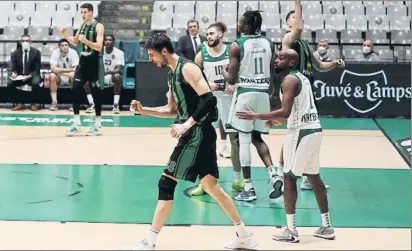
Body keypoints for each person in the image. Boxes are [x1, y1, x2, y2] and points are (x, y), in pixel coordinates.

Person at [124, 33, 258, 250]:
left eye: (152, 55)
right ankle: (245, 235)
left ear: (164, 51)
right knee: (211, 186)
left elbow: (209, 100)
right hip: (198, 133)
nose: (151, 60)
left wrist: (186, 126)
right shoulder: (171, 74)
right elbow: (172, 110)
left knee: (166, 183)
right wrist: (144, 111)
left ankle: (149, 241)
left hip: (197, 134)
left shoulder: (188, 68)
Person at [236, 48, 335, 243]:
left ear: (291, 63)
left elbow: (286, 111)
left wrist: (256, 116)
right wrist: (276, 120)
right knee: (314, 177)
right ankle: (327, 226)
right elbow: (296, 109)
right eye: (277, 56)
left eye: (281, 58)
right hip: (315, 130)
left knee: (289, 179)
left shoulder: (289, 80)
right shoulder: (302, 78)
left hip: (300, 132)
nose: (276, 60)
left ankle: (291, 230)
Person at [273, 0, 345, 195]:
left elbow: (320, 65)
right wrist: (298, 4)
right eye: (294, 18)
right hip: (293, 90)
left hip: (307, 91)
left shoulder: (305, 44)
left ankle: (305, 176)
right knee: (293, 132)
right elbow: (296, 29)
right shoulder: (289, 38)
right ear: (289, 23)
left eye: (299, 18)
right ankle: (280, 173)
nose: (299, 21)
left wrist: (334, 64)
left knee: (308, 131)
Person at [223, 10, 278, 202]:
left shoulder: (237, 45)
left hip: (245, 92)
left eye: (240, 22)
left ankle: (248, 188)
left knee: (244, 140)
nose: (237, 24)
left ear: (246, 26)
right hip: (263, 92)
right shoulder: (270, 43)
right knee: (258, 137)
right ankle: (274, 174)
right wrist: (272, 102)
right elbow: (273, 75)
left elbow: (231, 78)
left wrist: (226, 73)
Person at [190, 22, 244, 196]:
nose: (209, 36)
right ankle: (205, 182)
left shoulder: (232, 50)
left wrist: (233, 84)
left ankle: (238, 180)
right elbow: (190, 78)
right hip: (209, 100)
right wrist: (206, 84)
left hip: (229, 100)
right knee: (205, 142)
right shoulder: (201, 55)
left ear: (221, 34)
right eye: (208, 33)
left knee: (234, 140)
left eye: (212, 33)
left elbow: (243, 73)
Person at [60, 2, 105, 136]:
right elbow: (75, 42)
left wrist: (85, 41)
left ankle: (98, 124)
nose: (83, 15)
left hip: (94, 62)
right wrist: (66, 34)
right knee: (75, 88)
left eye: (85, 12)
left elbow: (98, 46)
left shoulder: (99, 26)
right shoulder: (82, 25)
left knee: (95, 92)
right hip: (83, 61)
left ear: (91, 12)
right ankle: (77, 123)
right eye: (81, 12)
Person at [8, 34, 41, 111]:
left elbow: (37, 68)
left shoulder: (36, 52)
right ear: (21, 42)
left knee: (35, 82)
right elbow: (14, 67)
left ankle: (34, 103)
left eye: (27, 41)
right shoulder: (15, 53)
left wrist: (30, 75)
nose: (25, 42)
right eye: (23, 41)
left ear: (30, 42)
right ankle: (20, 103)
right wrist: (14, 73)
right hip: (20, 75)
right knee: (10, 82)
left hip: (32, 74)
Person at [49, 38, 79, 111]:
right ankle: (54, 103)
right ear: (59, 47)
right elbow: (53, 69)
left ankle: (74, 103)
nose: (65, 47)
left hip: (70, 76)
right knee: (52, 76)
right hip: (60, 76)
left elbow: (76, 69)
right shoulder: (55, 52)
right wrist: (68, 70)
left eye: (66, 45)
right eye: (62, 45)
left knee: (74, 76)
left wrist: (60, 70)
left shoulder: (73, 52)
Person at [103, 34, 124, 114]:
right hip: (99, 76)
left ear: (113, 42)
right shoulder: (98, 51)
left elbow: (119, 69)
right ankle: (91, 104)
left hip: (111, 76)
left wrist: (107, 72)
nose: (108, 42)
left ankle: (115, 104)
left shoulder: (119, 53)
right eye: (106, 40)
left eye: (110, 40)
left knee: (118, 76)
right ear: (104, 42)